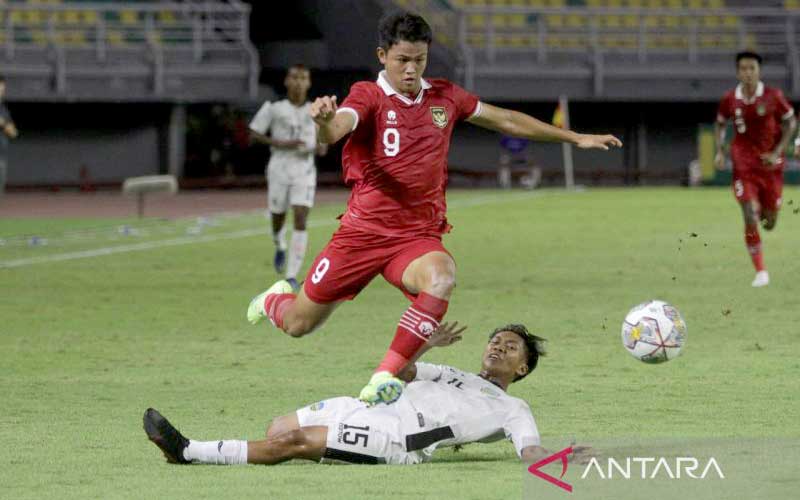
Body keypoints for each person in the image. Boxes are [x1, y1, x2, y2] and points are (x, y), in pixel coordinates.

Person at [247, 12, 622, 405]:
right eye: (402, 60)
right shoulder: (368, 95)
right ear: (382, 55)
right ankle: (275, 298)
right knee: (298, 325)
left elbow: (506, 119)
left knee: (441, 277)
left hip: (415, 237)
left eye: (419, 61)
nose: (410, 70)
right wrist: (323, 124)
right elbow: (338, 127)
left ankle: (383, 376)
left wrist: (574, 137)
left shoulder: (446, 97)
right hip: (361, 235)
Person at [144, 322, 593, 466]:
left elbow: (529, 450)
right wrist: (426, 344)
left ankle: (188, 452)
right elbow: (404, 368)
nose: (498, 346)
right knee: (278, 429)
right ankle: (235, 451)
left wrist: (566, 456)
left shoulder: (513, 406)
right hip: (369, 408)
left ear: (523, 367)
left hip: (398, 440)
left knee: (292, 444)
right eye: (496, 340)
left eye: (510, 347)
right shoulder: (451, 373)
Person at [715, 51, 797, 288]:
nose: (747, 73)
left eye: (752, 68)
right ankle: (761, 271)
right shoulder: (730, 99)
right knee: (750, 214)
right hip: (744, 164)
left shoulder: (773, 96)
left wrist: (778, 151)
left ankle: (766, 210)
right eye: (743, 68)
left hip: (771, 166)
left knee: (769, 222)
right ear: (737, 71)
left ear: (759, 71)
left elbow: (790, 122)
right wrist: (720, 151)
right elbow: (720, 123)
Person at [249, 65, 325, 289]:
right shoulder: (274, 108)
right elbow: (254, 131)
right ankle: (279, 243)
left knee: (300, 218)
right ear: (286, 81)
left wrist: (320, 146)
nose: (299, 82)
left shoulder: (316, 109)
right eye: (295, 77)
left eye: (303, 78)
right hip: (279, 168)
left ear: (309, 83)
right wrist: (279, 143)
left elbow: (324, 140)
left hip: (304, 170)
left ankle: (291, 275)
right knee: (278, 216)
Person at [0, 76, 19, 200]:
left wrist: (2, 123)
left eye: (2, 87)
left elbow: (13, 133)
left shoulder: (4, 110)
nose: (1, 90)